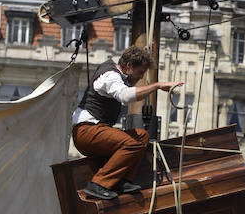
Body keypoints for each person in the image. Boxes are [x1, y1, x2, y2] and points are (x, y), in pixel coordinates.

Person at [72, 45, 179, 201]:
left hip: (94, 131)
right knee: (132, 143)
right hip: (86, 131)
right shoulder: (110, 75)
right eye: (140, 72)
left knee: (141, 136)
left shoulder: (118, 76)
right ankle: (98, 184)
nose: (140, 78)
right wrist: (157, 85)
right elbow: (125, 96)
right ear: (129, 66)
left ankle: (121, 181)